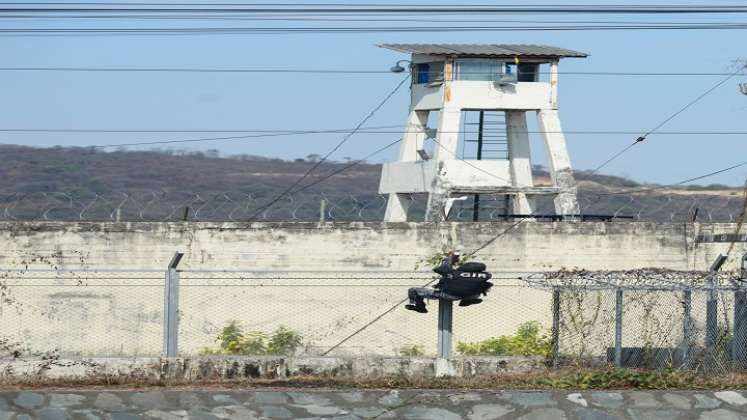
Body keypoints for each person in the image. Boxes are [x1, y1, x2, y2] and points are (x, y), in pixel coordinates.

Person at [405, 252, 492, 313]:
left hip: (449, 295)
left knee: (413, 290)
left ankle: (419, 306)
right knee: (478, 290)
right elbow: (487, 288)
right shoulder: (485, 275)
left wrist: (449, 259)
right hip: (469, 295)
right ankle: (467, 300)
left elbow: (438, 269)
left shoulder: (454, 273)